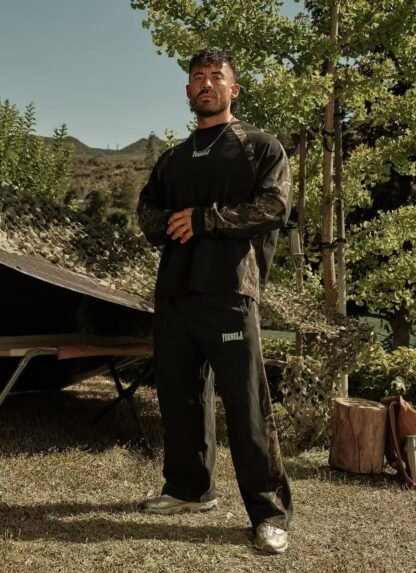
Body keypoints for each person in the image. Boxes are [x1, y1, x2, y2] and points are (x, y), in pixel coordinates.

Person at [137, 47, 293, 554]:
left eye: (216, 76)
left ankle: (269, 514)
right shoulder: (173, 158)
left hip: (230, 292)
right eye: (198, 77)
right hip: (174, 293)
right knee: (180, 398)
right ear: (188, 91)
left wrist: (205, 219)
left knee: (246, 405)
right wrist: (172, 220)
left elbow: (275, 206)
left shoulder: (259, 147)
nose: (206, 84)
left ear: (233, 89)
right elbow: (146, 214)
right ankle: (190, 489)